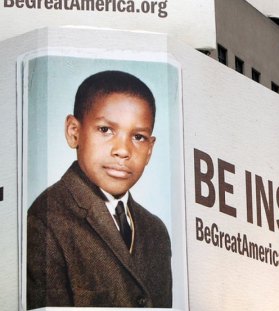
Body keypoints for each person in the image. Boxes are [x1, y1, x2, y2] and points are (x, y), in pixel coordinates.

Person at [27, 70, 172, 309]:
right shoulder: (46, 219)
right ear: (74, 132)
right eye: (105, 130)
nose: (123, 150)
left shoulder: (156, 231)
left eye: (138, 136)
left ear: (150, 149)